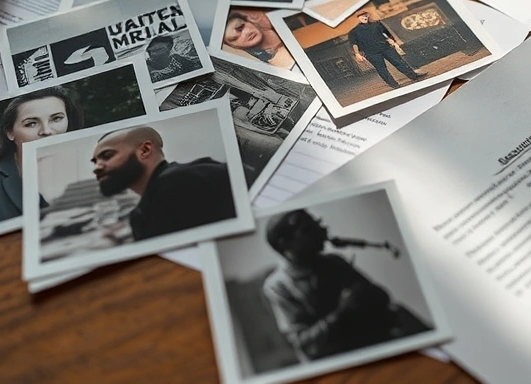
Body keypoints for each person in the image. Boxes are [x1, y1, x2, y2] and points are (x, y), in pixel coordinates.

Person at [262, 209, 429, 360]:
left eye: (316, 224)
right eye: (307, 229)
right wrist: (343, 311)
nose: (321, 232)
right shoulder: (277, 286)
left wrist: (366, 295)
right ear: (285, 244)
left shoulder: (334, 262)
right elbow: (308, 346)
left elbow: (382, 297)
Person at [0, 88, 84, 232]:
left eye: (56, 119)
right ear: (10, 132)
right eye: (31, 123)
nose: (46, 131)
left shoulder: (90, 167)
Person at [91, 125, 236, 241]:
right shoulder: (144, 208)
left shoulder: (180, 184)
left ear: (145, 150)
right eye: (95, 161)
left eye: (107, 156)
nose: (97, 167)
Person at [348, 10, 427, 89]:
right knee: (381, 68)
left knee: (399, 62)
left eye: (365, 15)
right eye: (361, 16)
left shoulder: (377, 24)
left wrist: (392, 40)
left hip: (386, 47)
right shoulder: (354, 31)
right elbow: (354, 43)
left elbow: (387, 33)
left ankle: (415, 76)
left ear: (368, 15)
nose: (364, 17)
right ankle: (394, 85)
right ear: (358, 18)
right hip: (371, 52)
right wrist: (357, 54)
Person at [222, 10, 295, 68]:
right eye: (235, 38)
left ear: (248, 20)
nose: (245, 33)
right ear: (233, 46)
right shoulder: (268, 61)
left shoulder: (285, 22)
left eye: (241, 26)